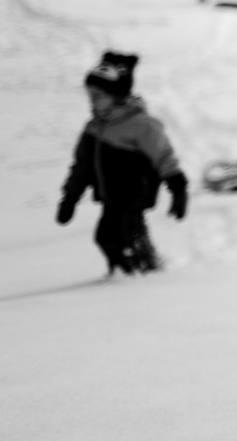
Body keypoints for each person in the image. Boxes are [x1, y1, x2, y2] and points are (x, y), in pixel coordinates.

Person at [56, 53, 188, 275]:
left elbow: (164, 156)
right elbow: (81, 167)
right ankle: (135, 270)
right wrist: (70, 198)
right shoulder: (93, 129)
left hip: (134, 193)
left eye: (98, 96)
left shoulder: (141, 124)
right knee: (119, 236)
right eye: (90, 96)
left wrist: (178, 188)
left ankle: (136, 275)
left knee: (110, 235)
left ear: (116, 95)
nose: (92, 101)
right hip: (111, 197)